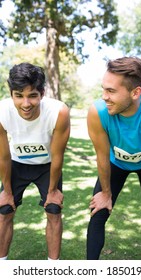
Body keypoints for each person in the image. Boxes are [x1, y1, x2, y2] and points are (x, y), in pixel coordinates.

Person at [86, 56, 141, 260]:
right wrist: (105, 193)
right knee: (98, 212)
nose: (104, 96)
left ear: (136, 92)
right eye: (104, 89)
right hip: (115, 164)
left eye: (111, 91)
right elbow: (102, 157)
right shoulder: (97, 111)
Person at [0, 62, 70, 260]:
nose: (25, 103)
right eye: (19, 95)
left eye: (32, 95)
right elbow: (3, 156)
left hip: (47, 166)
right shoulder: (2, 111)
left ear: (42, 93)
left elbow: (58, 156)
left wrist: (53, 191)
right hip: (16, 165)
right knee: (4, 210)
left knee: (53, 210)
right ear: (11, 93)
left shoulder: (59, 112)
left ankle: (53, 267)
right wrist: (6, 190)